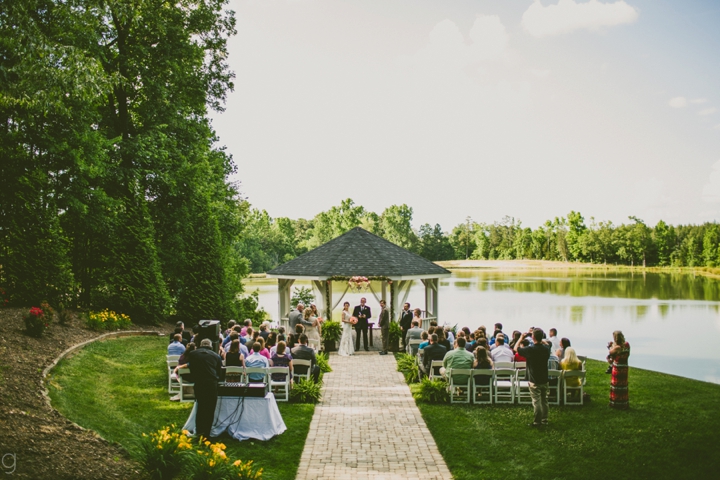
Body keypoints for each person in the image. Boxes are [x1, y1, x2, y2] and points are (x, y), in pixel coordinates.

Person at [178, 338, 222, 439]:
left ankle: (199, 430)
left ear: (200, 345)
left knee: (200, 406)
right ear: (211, 346)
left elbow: (192, 367)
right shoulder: (216, 356)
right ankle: (206, 432)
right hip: (211, 384)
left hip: (199, 383)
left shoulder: (193, 354)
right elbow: (218, 372)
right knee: (210, 409)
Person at [517, 329, 551, 427]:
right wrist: (541, 339)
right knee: (544, 401)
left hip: (534, 378)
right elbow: (547, 344)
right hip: (544, 377)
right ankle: (545, 420)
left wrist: (521, 338)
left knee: (536, 402)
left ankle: (537, 422)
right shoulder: (546, 349)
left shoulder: (530, 349)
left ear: (533, 337)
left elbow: (516, 348)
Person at [608, 330, 630, 410]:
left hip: (617, 368)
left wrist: (611, 346)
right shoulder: (627, 345)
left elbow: (611, 352)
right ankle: (624, 403)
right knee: (623, 385)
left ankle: (616, 403)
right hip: (624, 367)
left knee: (616, 386)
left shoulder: (617, 347)